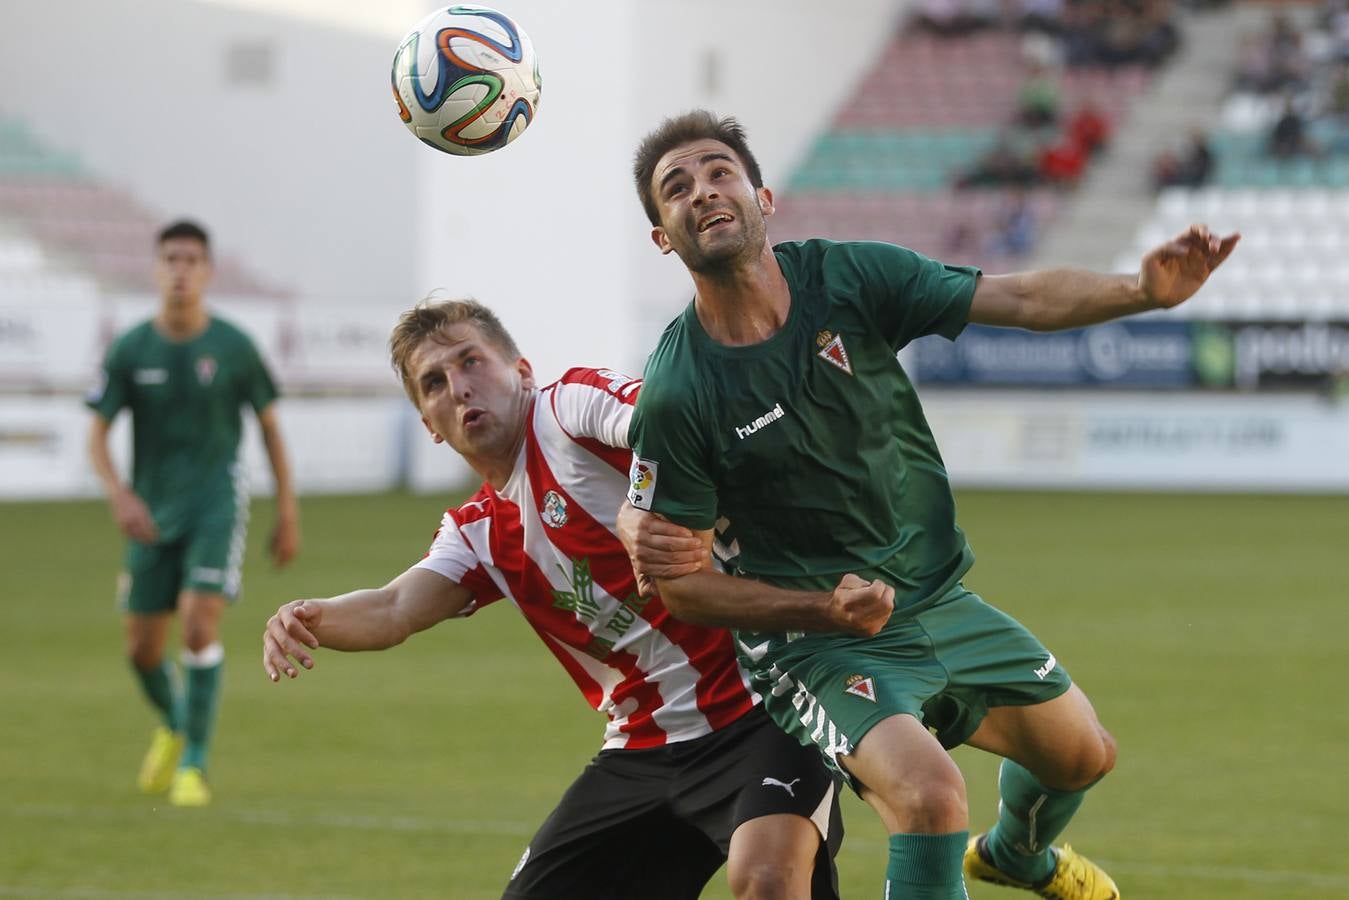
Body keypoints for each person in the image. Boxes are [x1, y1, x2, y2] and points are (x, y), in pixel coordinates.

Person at [620, 110, 1238, 900]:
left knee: (1083, 755)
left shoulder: (847, 279)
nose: (702, 191)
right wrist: (821, 608)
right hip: (818, 646)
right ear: (663, 237)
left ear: (762, 198)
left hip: (937, 597)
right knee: (930, 797)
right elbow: (680, 586)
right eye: (676, 189)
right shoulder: (679, 390)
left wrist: (1141, 292)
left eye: (717, 173)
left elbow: (1016, 298)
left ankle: (1016, 854)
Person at [261, 299, 845, 900]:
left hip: (766, 707)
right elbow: (393, 609)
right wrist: (309, 617)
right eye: (434, 383)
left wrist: (642, 500)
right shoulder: (477, 531)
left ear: (520, 371)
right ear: (430, 425)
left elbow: (671, 416)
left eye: (471, 362)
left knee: (768, 879)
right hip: (642, 749)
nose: (459, 388)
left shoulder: (568, 410)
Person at [87, 219, 300, 807]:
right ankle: (176, 723)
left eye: (191, 260)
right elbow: (97, 435)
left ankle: (195, 767)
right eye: (171, 259)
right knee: (141, 649)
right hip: (151, 512)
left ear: (207, 271)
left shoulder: (233, 347)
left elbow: (271, 428)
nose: (180, 270)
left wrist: (287, 509)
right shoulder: (131, 348)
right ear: (157, 269)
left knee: (199, 622)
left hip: (216, 503)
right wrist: (118, 493)